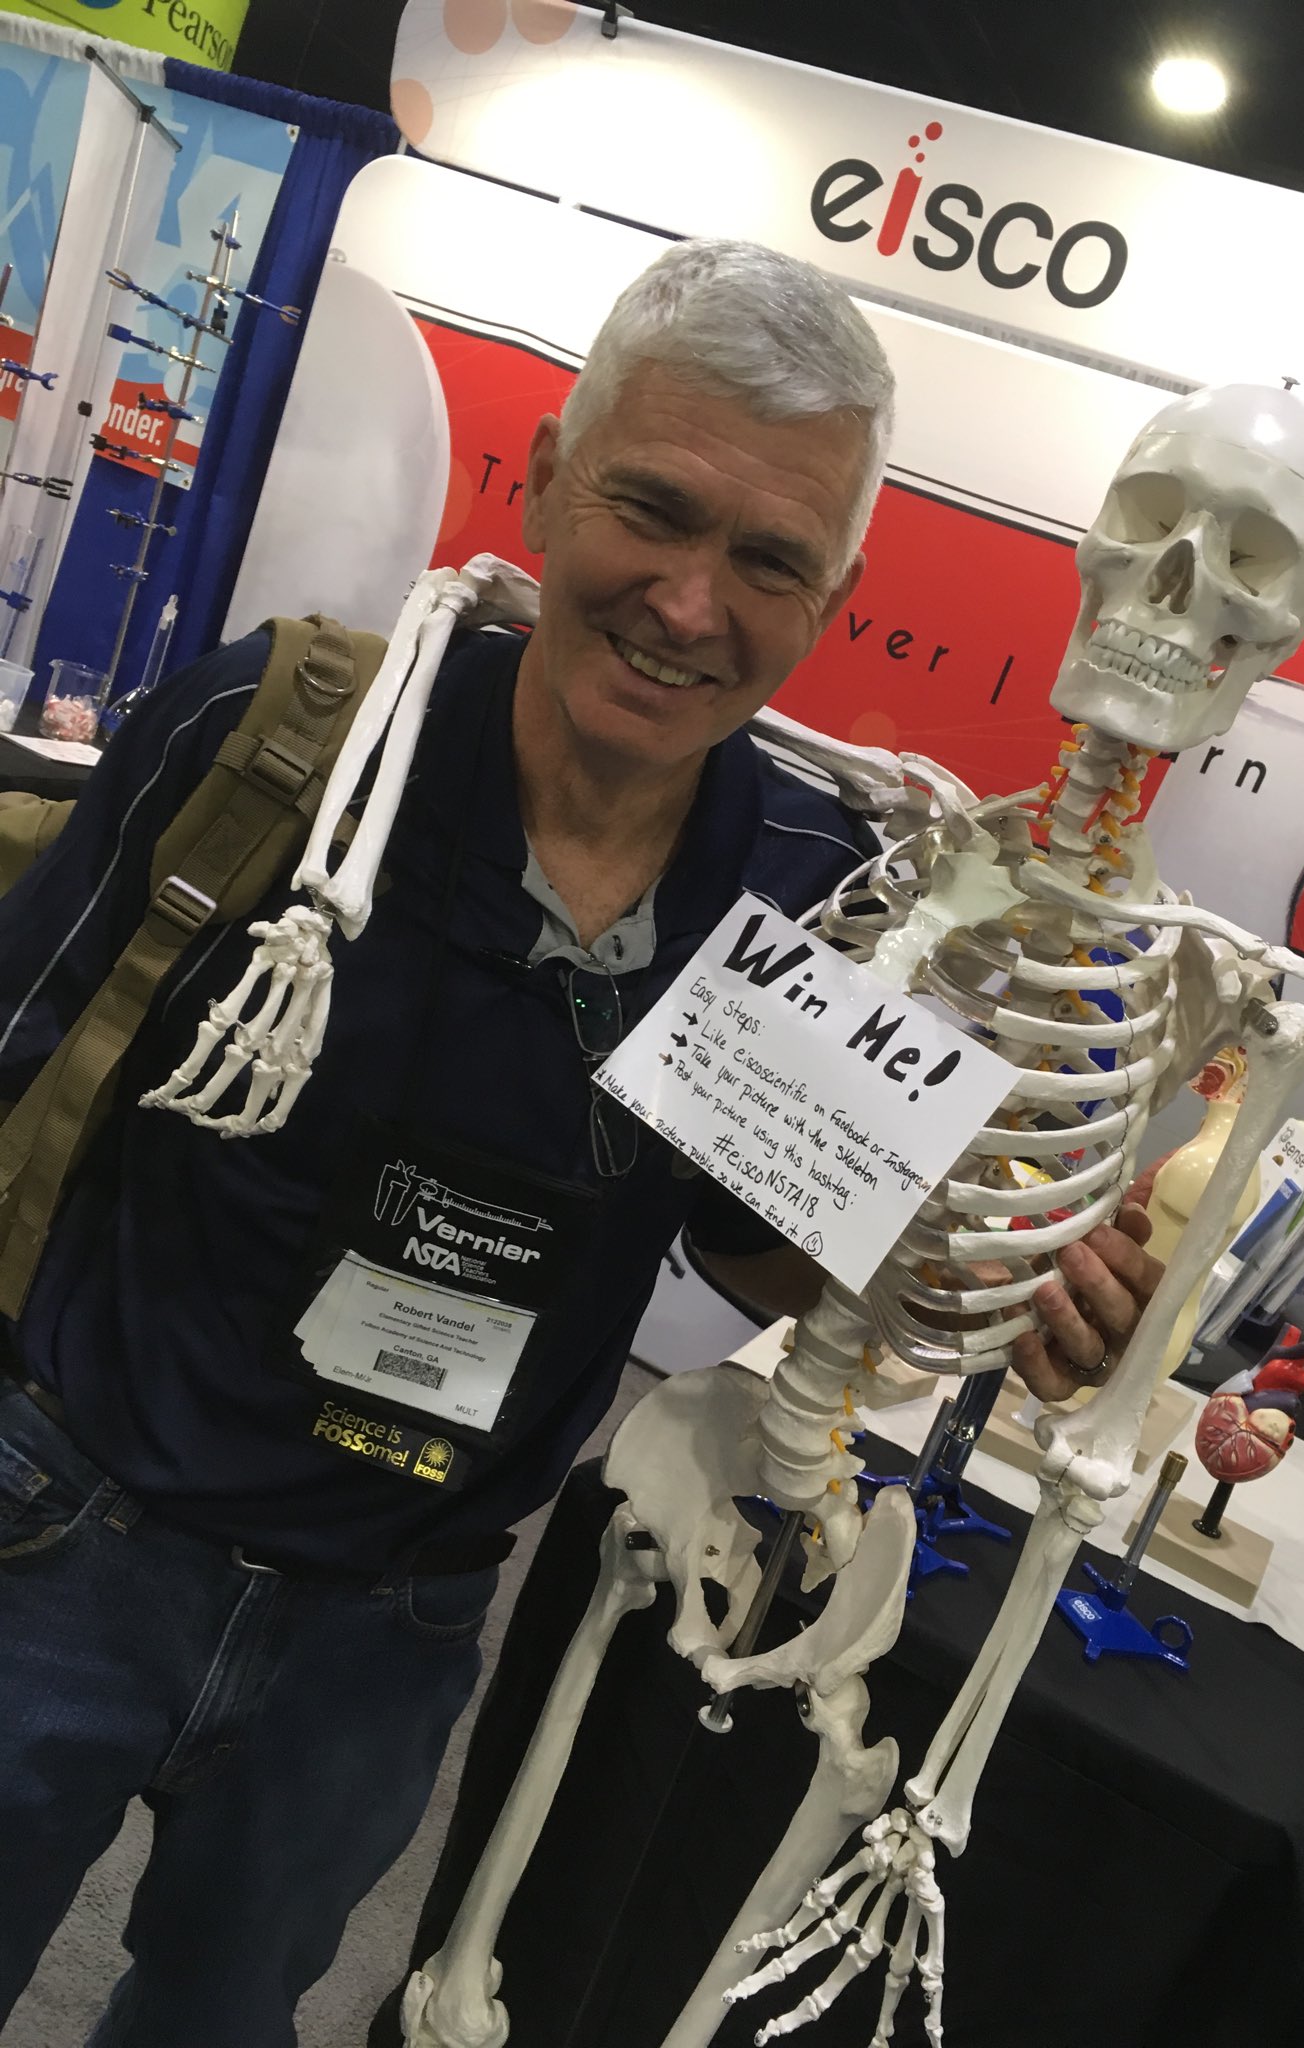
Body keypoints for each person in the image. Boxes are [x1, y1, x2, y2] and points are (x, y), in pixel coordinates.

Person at [0, 238, 1161, 2043]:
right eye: (654, 510)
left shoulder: (805, 896)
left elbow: (753, 1246)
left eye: (768, 561)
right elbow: (15, 1052)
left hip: (390, 1626)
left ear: (832, 600)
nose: (690, 604)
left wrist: (986, 1257)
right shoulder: (284, 741)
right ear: (546, 481)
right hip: (73, 1541)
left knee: (221, 2018)